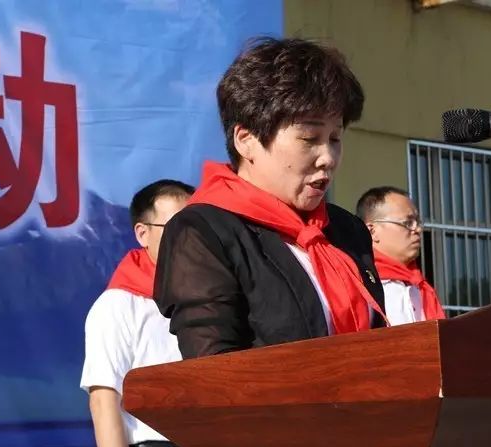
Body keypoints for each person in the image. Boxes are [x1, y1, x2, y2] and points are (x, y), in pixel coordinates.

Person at [155, 37, 386, 359]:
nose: (328, 158)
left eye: (335, 138)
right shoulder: (202, 231)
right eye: (309, 138)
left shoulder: (347, 230)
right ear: (246, 140)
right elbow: (212, 369)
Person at [80, 180, 198, 447]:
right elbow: (104, 401)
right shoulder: (117, 305)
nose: (189, 238)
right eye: (175, 227)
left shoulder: (209, 301)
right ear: (143, 233)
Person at [356, 186, 446, 325]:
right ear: (372, 231)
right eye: (408, 223)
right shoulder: (360, 286)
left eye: (418, 222)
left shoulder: (419, 286)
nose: (418, 229)